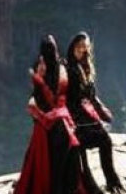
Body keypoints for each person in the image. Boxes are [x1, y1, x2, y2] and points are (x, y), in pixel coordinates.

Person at [15, 35, 81, 194]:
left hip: (54, 119)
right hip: (50, 121)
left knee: (55, 159)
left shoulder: (59, 66)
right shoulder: (45, 67)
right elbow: (39, 96)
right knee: (56, 160)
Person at [65, 32, 124, 194]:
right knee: (83, 150)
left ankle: (112, 182)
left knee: (105, 141)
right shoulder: (67, 67)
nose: (82, 49)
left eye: (85, 46)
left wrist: (102, 111)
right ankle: (90, 186)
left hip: (86, 117)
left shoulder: (85, 66)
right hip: (74, 119)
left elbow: (92, 96)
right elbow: (68, 98)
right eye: (79, 46)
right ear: (73, 47)